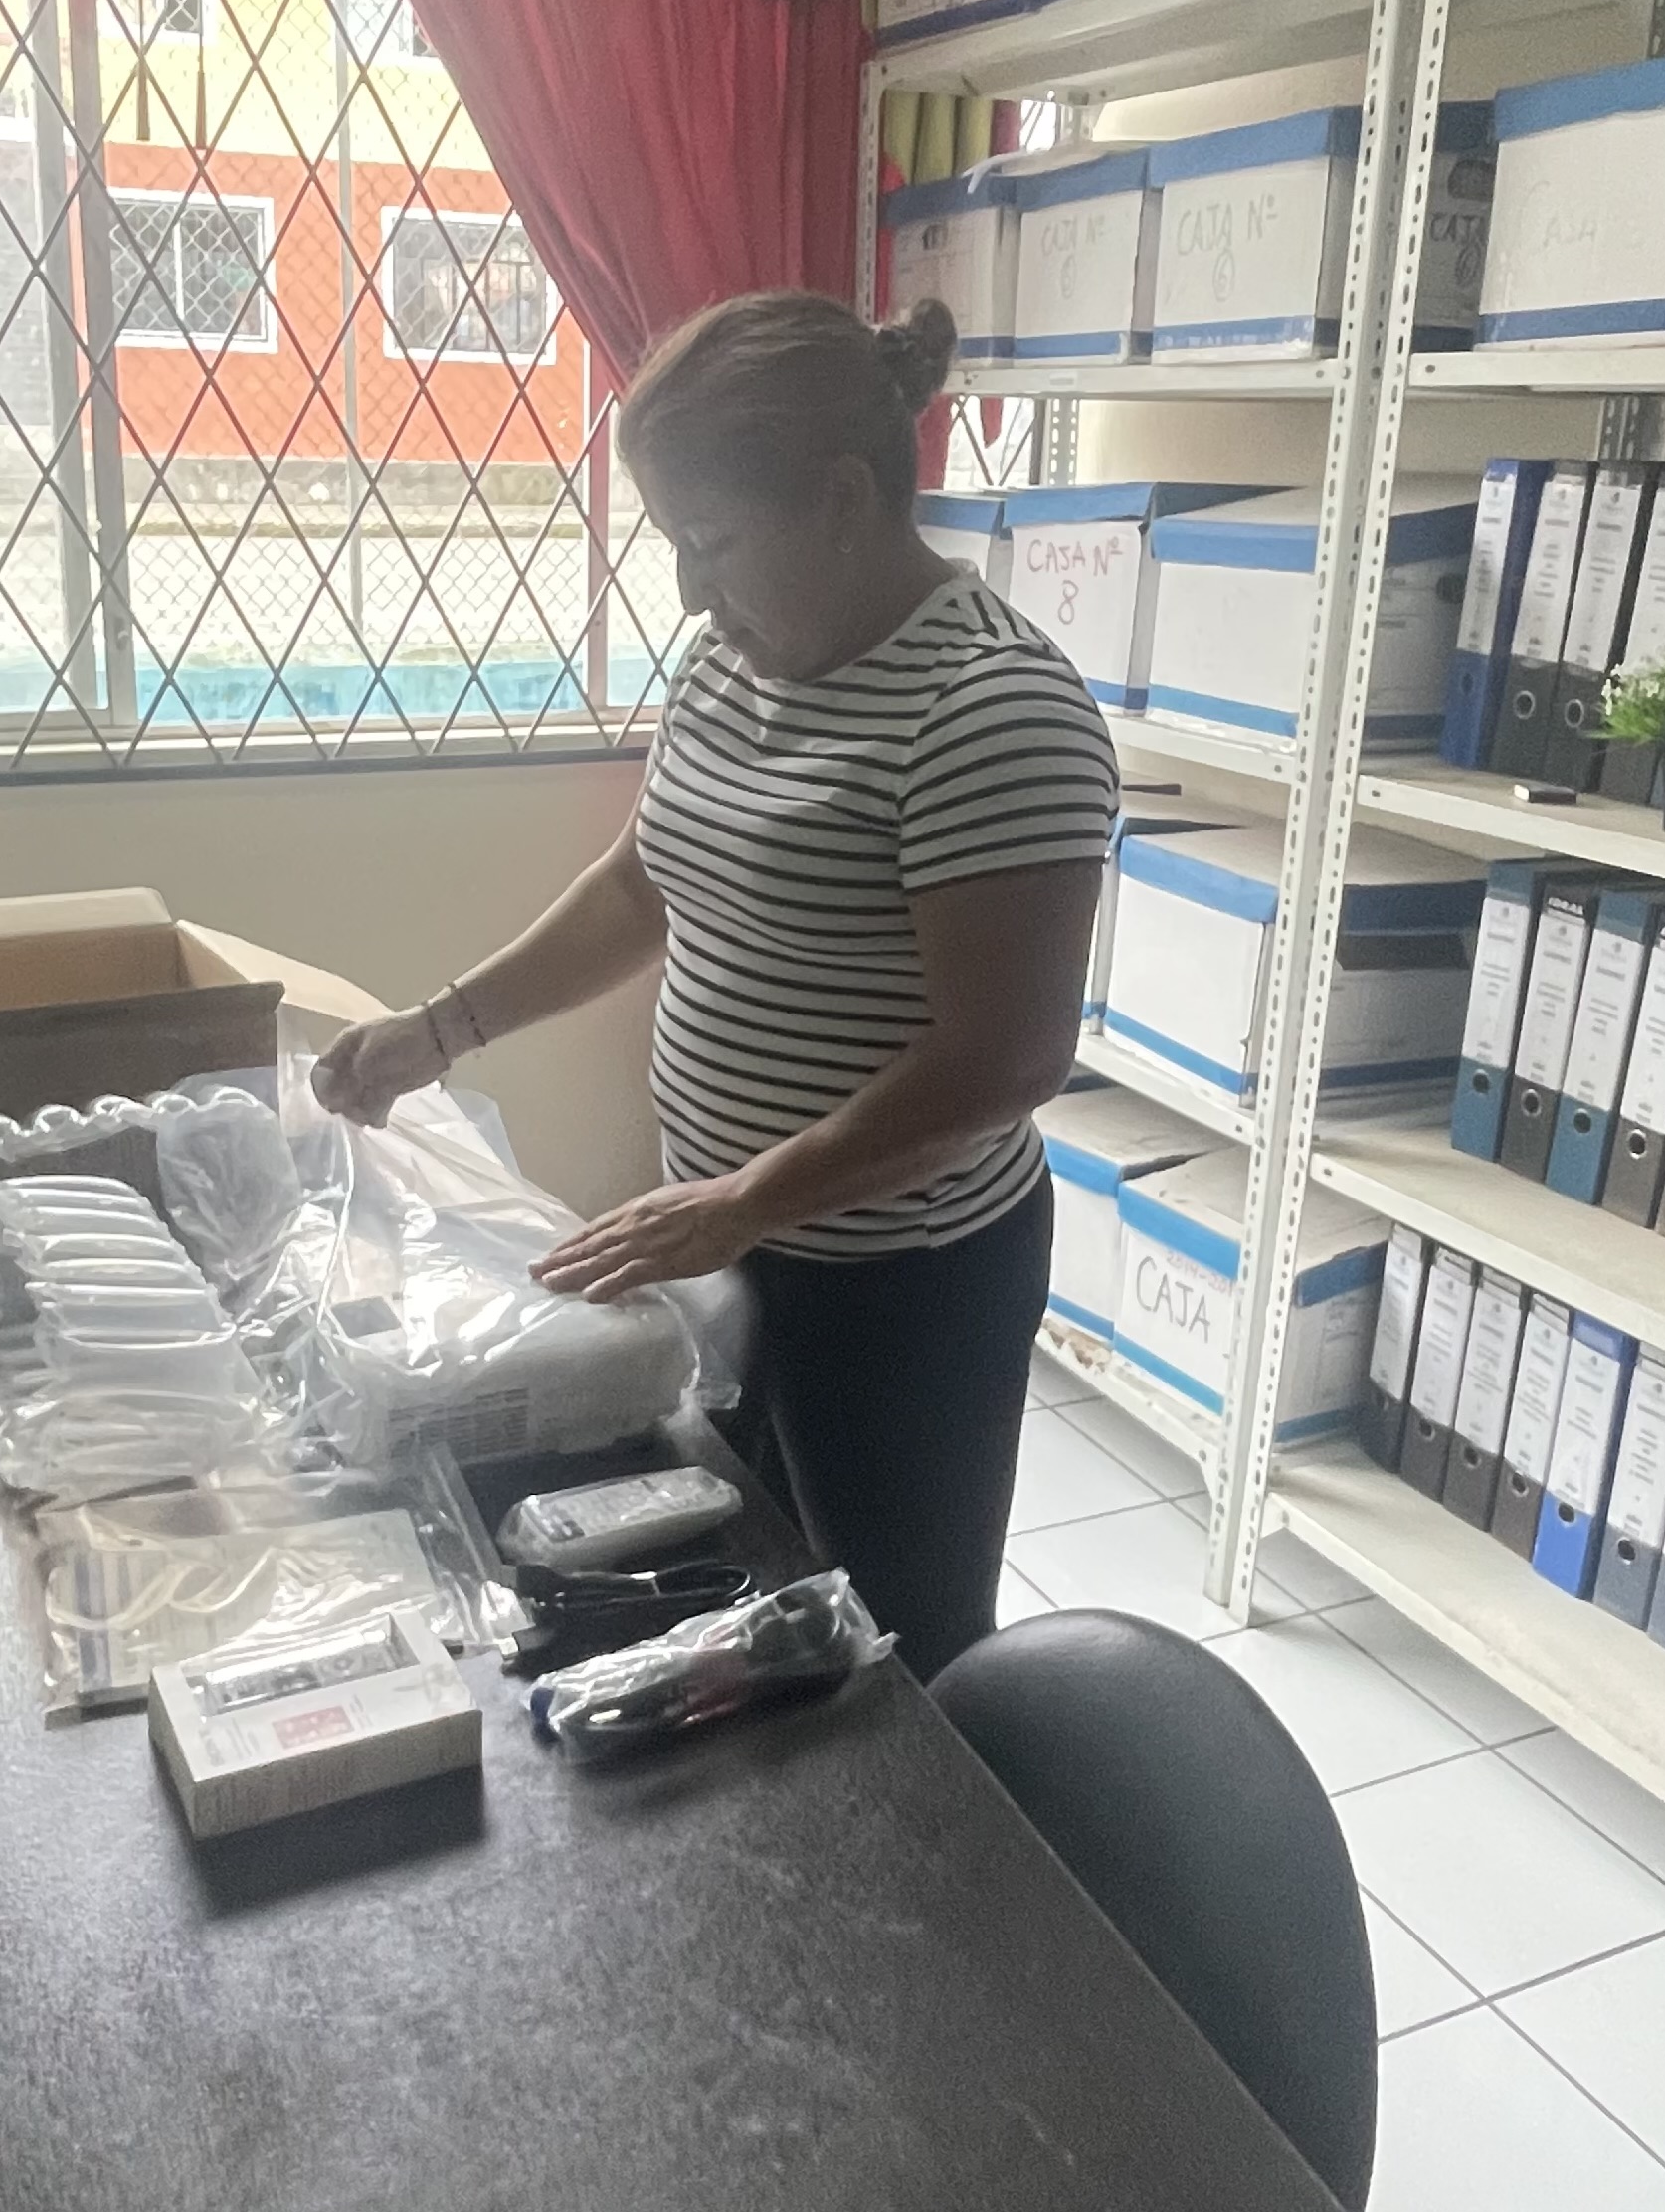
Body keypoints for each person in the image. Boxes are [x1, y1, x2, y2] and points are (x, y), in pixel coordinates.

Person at [313, 288, 1118, 1679]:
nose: (689, 590)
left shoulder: (992, 711)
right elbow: (646, 881)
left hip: (895, 1285)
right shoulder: (733, 660)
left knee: (893, 1643)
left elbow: (1004, 1059)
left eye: (713, 542)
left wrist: (743, 1201)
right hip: (734, 1236)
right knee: (745, 1579)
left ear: (842, 499)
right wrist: (441, 1030)